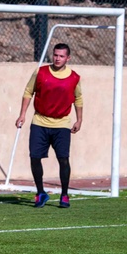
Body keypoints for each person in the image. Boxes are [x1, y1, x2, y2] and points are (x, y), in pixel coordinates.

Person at [15, 43, 83, 208]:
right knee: (35, 157)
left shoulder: (74, 77)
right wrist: (22, 114)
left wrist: (79, 120)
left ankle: (64, 195)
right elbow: (28, 92)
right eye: (55, 55)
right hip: (39, 122)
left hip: (62, 124)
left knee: (63, 159)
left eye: (61, 56)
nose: (58, 59)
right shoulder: (41, 72)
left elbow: (78, 99)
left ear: (68, 58)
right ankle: (40, 192)